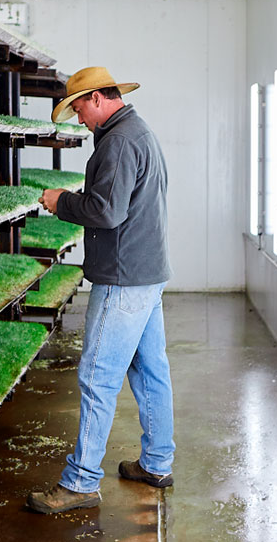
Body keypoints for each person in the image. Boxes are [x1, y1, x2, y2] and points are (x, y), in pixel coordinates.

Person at [26, 66, 175, 515]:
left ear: (95, 98)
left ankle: (80, 481)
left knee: (97, 377)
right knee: (150, 370)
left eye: (78, 110)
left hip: (122, 276)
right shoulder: (138, 132)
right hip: (147, 272)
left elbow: (106, 212)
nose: (78, 121)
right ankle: (156, 463)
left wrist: (60, 202)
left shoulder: (119, 141)